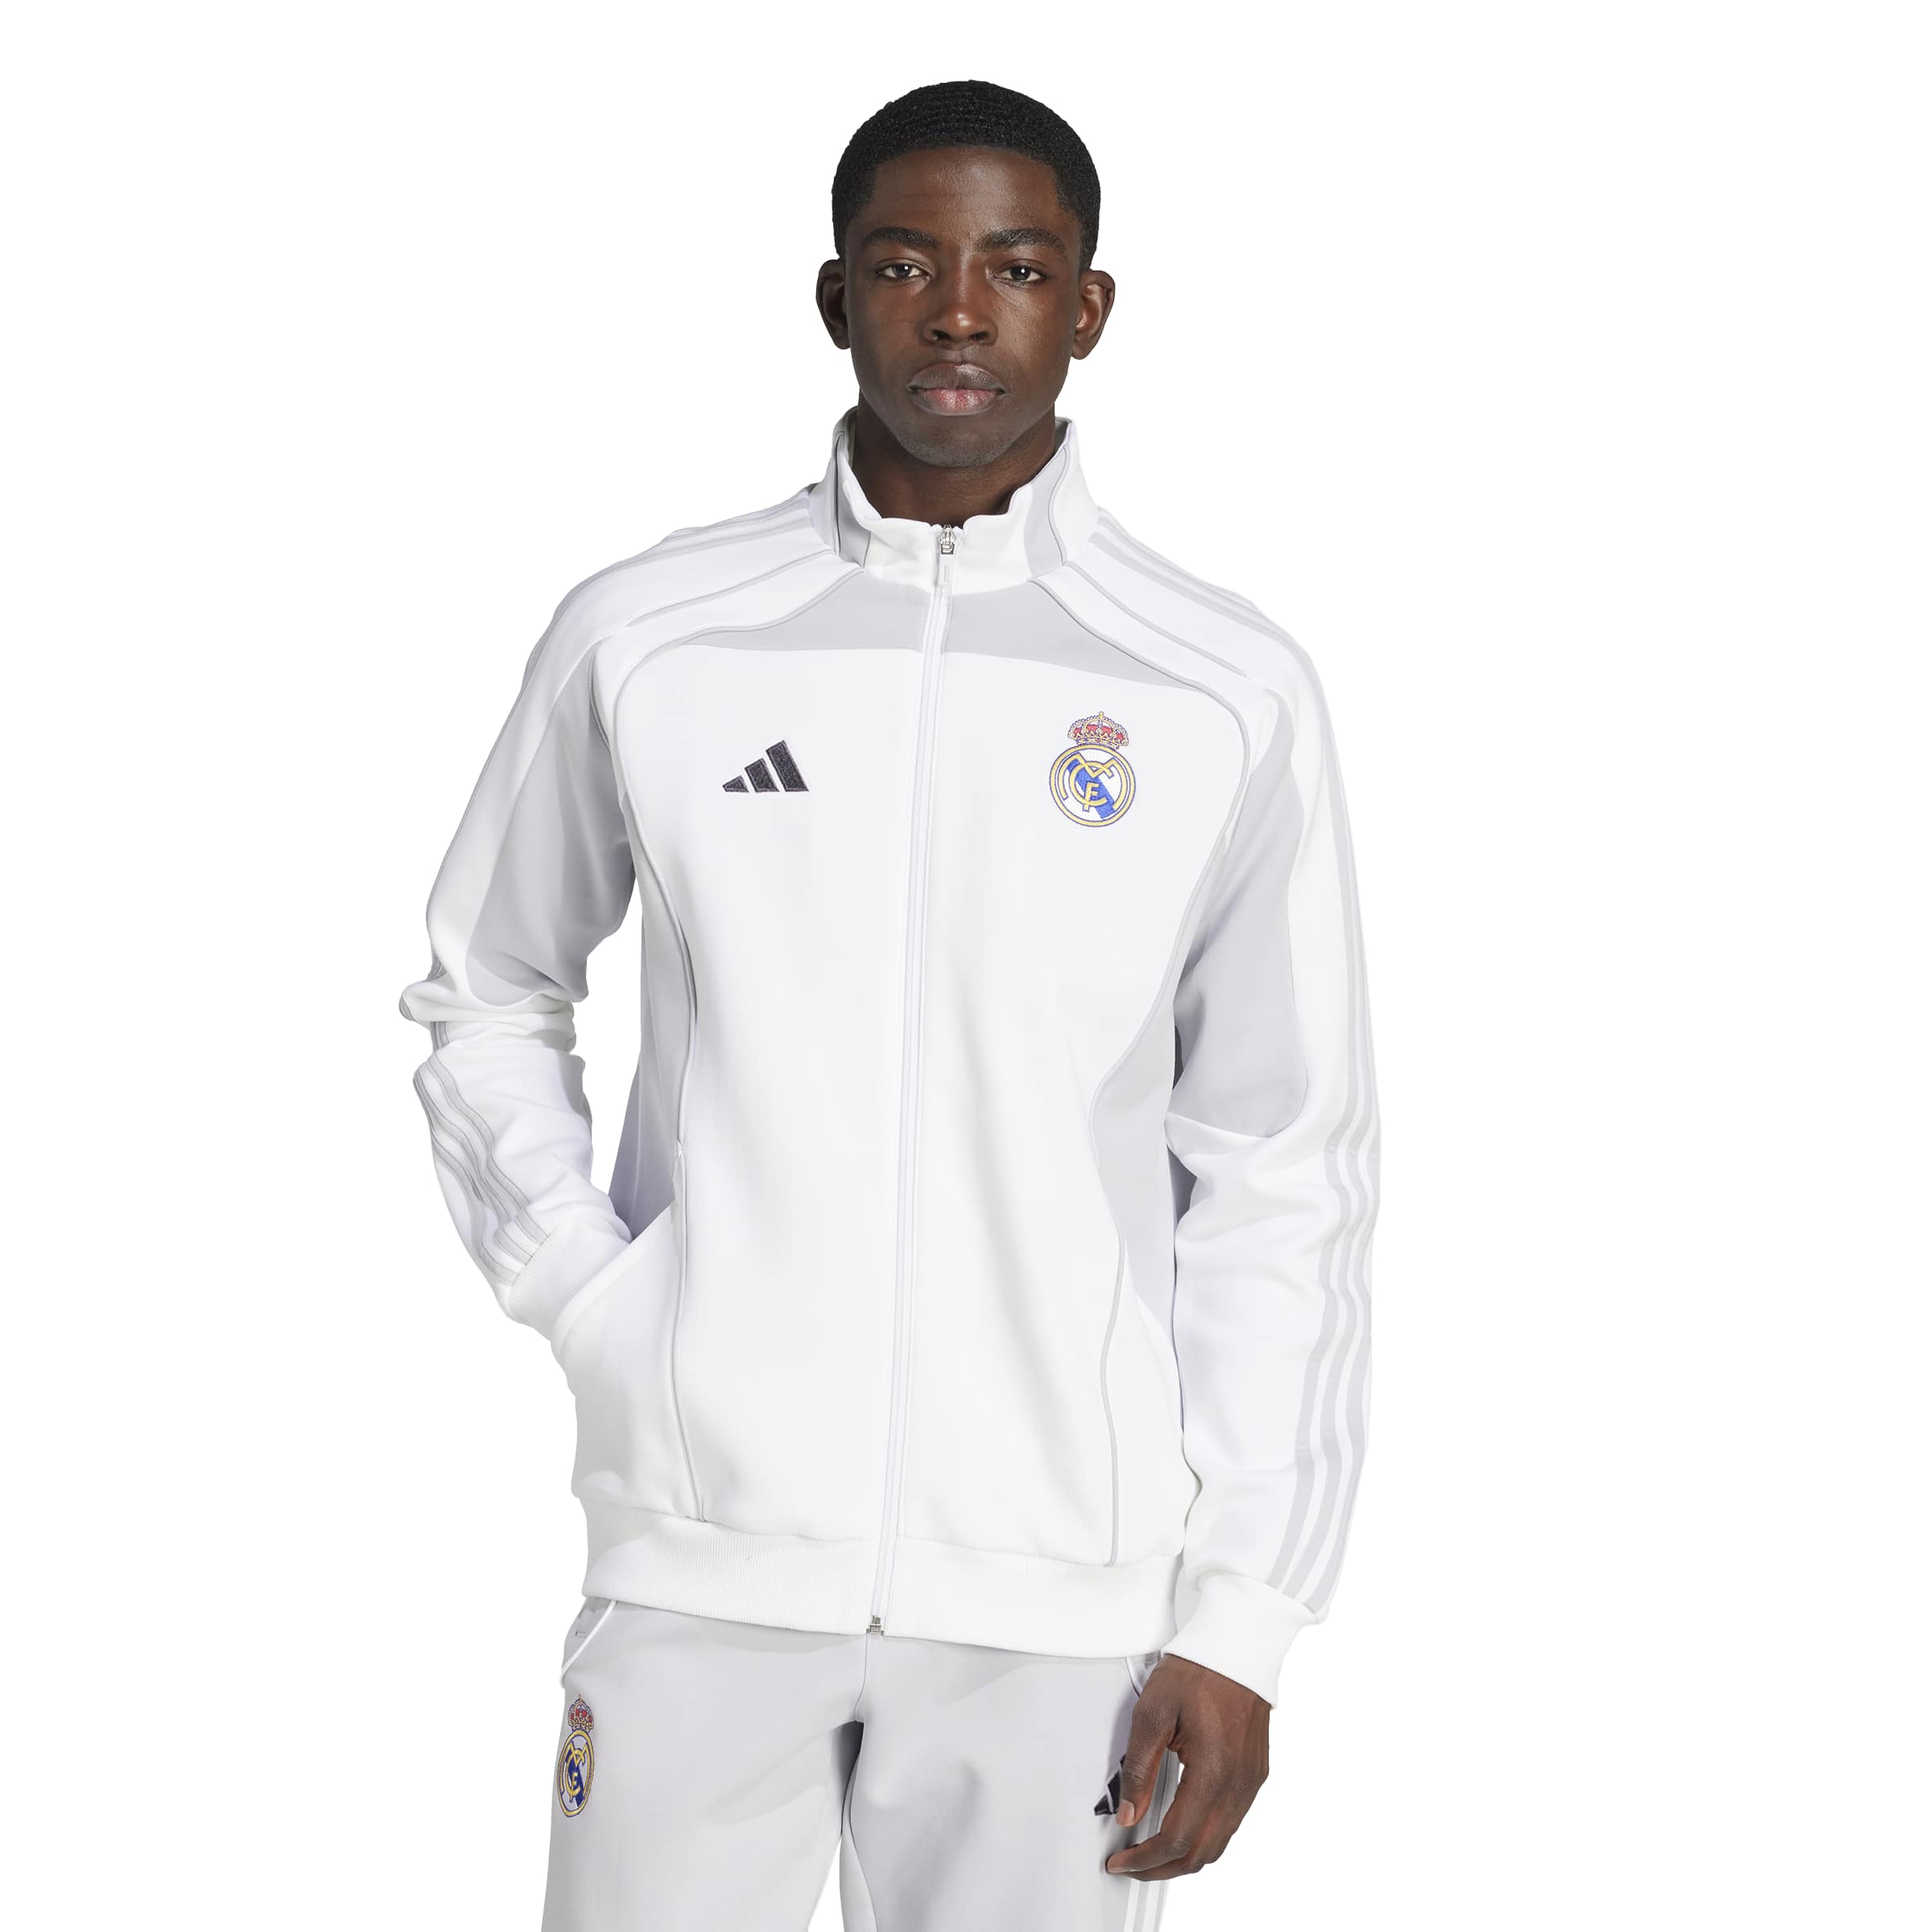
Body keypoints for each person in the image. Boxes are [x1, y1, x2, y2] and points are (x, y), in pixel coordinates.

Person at [399, 76, 1380, 1931]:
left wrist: (1244, 1614)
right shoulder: (657, 635)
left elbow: (1285, 1161)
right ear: (835, 297)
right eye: (907, 265)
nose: (957, 313)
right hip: (700, 1568)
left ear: (1089, 307)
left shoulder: (1218, 688)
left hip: (1065, 1609)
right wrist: (599, 1301)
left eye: (1016, 267)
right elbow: (488, 988)